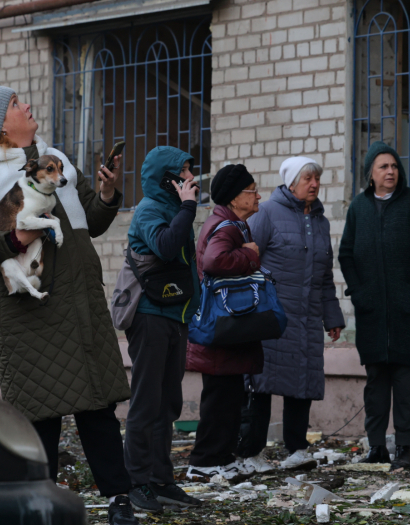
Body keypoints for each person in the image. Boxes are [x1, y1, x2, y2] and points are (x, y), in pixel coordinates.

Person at [0, 86, 138, 525]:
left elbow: (91, 221)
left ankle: (119, 500)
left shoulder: (58, 161)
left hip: (81, 303)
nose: (27, 106)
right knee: (40, 417)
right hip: (31, 313)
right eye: (16, 104)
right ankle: (41, 510)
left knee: (98, 408)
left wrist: (108, 193)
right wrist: (17, 236)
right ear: (1, 124)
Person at [337, 141, 410, 471]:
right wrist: (358, 292)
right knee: (376, 384)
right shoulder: (359, 207)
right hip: (372, 314)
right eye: (383, 166)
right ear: (370, 174)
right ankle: (377, 447)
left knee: (406, 381)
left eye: (394, 165)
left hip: (409, 313)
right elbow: (346, 254)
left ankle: (404, 448)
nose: (390, 171)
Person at [237, 157, 345, 472]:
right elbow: (246, 259)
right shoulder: (267, 212)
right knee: (261, 382)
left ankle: (296, 449)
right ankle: (250, 453)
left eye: (317, 179)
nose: (314, 184)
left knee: (303, 381)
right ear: (291, 182)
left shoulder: (321, 222)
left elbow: (325, 276)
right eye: (308, 178)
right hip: (271, 316)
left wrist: (332, 316)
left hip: (307, 318)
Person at [123, 146, 203, 512]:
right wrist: (187, 208)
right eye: (183, 172)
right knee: (146, 403)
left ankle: (160, 479)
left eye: (189, 170)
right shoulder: (150, 210)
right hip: (150, 315)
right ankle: (136, 481)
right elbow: (167, 247)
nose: (190, 178)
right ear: (166, 178)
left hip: (175, 314)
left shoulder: (173, 208)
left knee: (167, 403)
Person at [185, 164, 264, 480]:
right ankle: (203, 462)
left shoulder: (233, 223)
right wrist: (251, 255)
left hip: (229, 325)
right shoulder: (226, 226)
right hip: (220, 325)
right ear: (234, 197)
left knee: (230, 396)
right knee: (219, 398)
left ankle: (223, 458)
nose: (258, 196)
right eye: (252, 190)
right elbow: (214, 260)